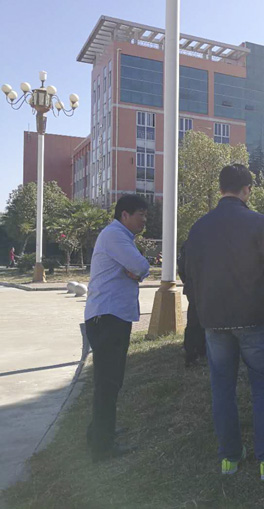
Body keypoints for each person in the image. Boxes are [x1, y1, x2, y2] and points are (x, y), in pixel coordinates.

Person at [185, 164, 264, 480]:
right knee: (263, 385)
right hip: (252, 317)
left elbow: (188, 272)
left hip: (213, 319)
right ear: (247, 190)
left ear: (220, 189)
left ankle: (229, 458)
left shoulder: (199, 227)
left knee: (222, 388)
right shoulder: (257, 221)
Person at [84, 194, 151, 462]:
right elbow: (141, 266)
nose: (144, 220)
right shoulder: (115, 235)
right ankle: (102, 446)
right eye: (140, 214)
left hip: (110, 317)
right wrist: (139, 270)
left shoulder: (120, 237)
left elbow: (138, 269)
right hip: (108, 319)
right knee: (108, 383)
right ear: (124, 215)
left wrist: (138, 271)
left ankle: (99, 432)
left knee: (109, 381)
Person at [177, 239, 206, 367]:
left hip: (193, 287)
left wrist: (188, 282)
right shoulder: (217, 240)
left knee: (194, 320)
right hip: (209, 286)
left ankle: (191, 352)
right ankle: (200, 350)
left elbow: (181, 268)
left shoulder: (189, 243)